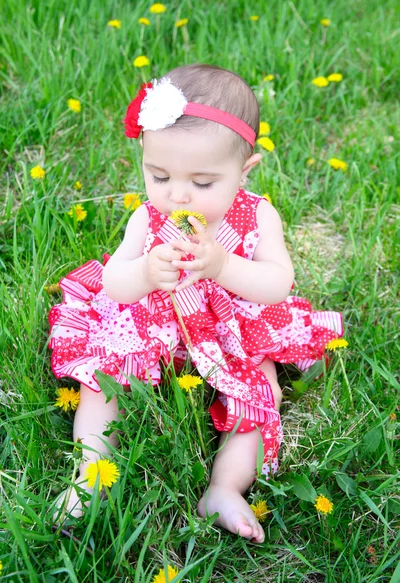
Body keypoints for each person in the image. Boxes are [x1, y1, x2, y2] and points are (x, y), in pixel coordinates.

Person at [49, 64, 343, 543]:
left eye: (203, 183)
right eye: (158, 175)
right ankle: (91, 472)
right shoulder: (147, 220)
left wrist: (224, 266)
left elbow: (277, 283)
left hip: (231, 332)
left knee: (259, 391)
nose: (177, 194)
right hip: (152, 326)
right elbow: (115, 285)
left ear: (243, 172)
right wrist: (144, 273)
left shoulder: (257, 215)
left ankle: (225, 488)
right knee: (101, 380)